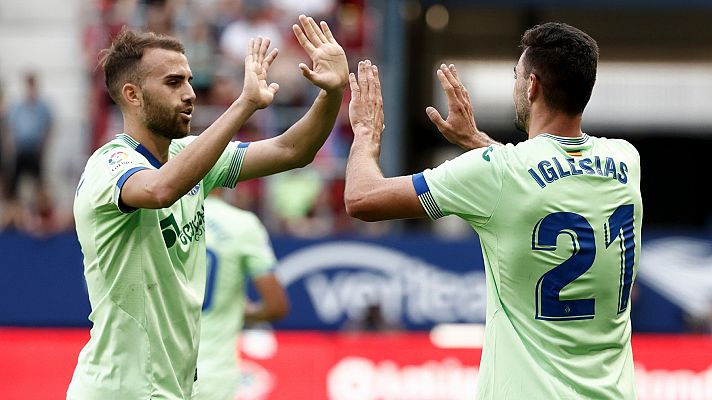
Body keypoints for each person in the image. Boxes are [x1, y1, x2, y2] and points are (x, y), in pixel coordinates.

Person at [345, 23, 642, 399]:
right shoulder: (625, 161)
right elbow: (545, 179)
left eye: (516, 75)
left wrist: (366, 134)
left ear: (532, 85)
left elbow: (361, 198)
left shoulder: (496, 171)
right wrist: (476, 141)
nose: (516, 84)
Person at [68, 13, 347, 400]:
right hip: (120, 390)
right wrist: (244, 104)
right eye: (172, 82)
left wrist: (332, 94)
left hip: (173, 389)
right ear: (132, 94)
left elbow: (292, 149)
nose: (190, 93)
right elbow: (160, 190)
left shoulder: (189, 155)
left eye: (189, 80)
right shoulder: (109, 165)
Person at [196, 188, 289, 400]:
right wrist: (243, 310)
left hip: (157, 372)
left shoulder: (160, 216)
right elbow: (277, 305)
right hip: (214, 376)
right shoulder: (242, 224)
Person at [2, 72, 54, 233]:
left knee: (39, 185)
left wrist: (43, 147)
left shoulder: (42, 107)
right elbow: (10, 127)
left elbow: (48, 127)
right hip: (21, 151)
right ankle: (14, 216)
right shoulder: (18, 107)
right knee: (15, 186)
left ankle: (41, 217)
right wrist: (13, 146)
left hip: (35, 151)